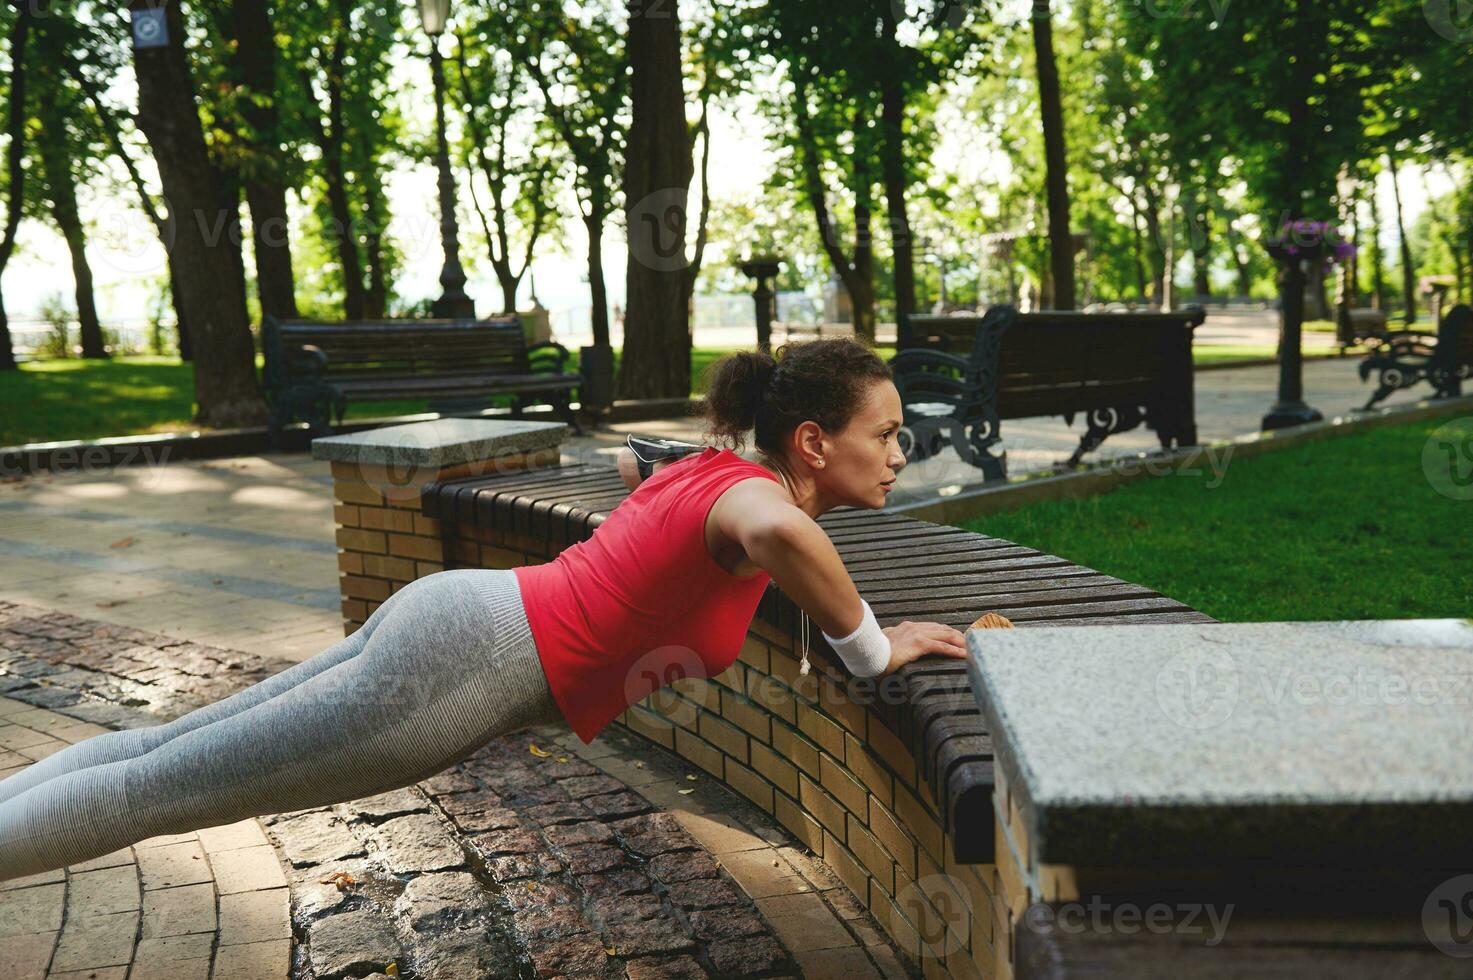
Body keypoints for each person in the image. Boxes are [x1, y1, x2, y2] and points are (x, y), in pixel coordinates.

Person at [0, 338, 967, 881]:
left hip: (456, 617)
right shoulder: (758, 503)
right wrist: (871, 649)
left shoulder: (717, 469)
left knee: (154, 755)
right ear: (810, 440)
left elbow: (638, 472)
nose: (897, 453)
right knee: (160, 790)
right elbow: (784, 538)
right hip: (462, 667)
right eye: (882, 434)